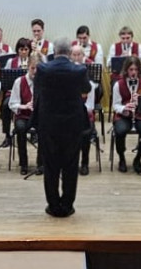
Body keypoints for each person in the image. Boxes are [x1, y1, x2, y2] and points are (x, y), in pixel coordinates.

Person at [33, 38, 91, 218]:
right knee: (70, 166)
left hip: (49, 124)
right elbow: (86, 88)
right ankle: (67, 205)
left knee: (50, 165)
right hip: (72, 124)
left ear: (55, 51)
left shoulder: (43, 69)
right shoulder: (79, 70)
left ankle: (53, 205)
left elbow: (37, 90)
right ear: (69, 52)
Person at [112, 55, 141, 173]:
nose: (133, 72)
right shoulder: (118, 84)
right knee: (120, 132)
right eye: (131, 70)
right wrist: (124, 108)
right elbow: (115, 105)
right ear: (126, 70)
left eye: (136, 69)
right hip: (124, 116)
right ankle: (121, 158)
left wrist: (140, 102)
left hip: (140, 115)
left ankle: (138, 158)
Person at [10, 52, 41, 175]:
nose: (35, 71)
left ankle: (41, 164)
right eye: (32, 68)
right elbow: (12, 103)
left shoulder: (44, 82)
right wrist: (25, 106)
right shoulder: (19, 81)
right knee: (20, 128)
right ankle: (24, 163)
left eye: (38, 69)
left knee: (45, 129)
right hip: (23, 115)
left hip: (38, 115)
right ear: (28, 67)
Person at [71, 45, 97, 176]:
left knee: (85, 133)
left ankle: (85, 163)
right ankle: (70, 162)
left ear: (83, 56)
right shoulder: (66, 80)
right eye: (74, 55)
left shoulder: (89, 83)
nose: (76, 57)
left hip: (84, 115)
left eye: (79, 55)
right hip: (70, 115)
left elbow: (90, 106)